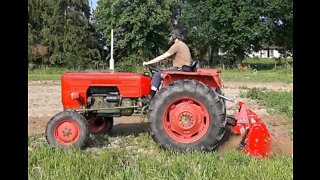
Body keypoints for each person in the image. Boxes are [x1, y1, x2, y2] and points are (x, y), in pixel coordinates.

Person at [142, 29, 192, 101]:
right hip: (183, 68)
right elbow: (171, 57)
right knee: (162, 71)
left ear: (174, 36)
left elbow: (163, 56)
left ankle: (150, 97)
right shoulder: (182, 45)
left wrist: (148, 63)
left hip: (180, 68)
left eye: (170, 36)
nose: (169, 38)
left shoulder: (176, 45)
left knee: (157, 75)